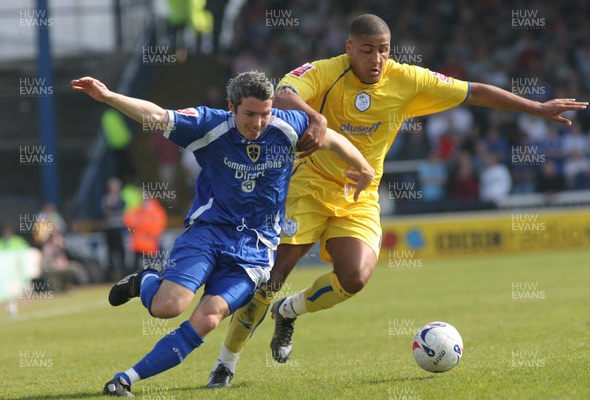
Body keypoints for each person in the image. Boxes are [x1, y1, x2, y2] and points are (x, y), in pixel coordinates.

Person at [207, 14, 588, 388]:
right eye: (368, 50)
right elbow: (285, 92)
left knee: (354, 278)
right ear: (350, 48)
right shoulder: (327, 70)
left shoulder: (407, 79)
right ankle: (226, 363)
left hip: (360, 194)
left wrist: (535, 107)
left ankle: (288, 311)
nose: (376, 59)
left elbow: (474, 91)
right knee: (273, 276)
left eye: (384, 51)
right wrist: (314, 117)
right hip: (309, 185)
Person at [71, 70, 374, 397]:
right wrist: (109, 97)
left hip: (254, 252)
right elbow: (157, 115)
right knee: (167, 307)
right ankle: (144, 281)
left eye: (265, 113)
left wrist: (364, 167)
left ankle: (125, 380)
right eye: (250, 114)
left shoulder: (287, 125)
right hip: (208, 235)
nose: (258, 123)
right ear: (231, 106)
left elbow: (333, 139)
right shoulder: (208, 124)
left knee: (209, 317)